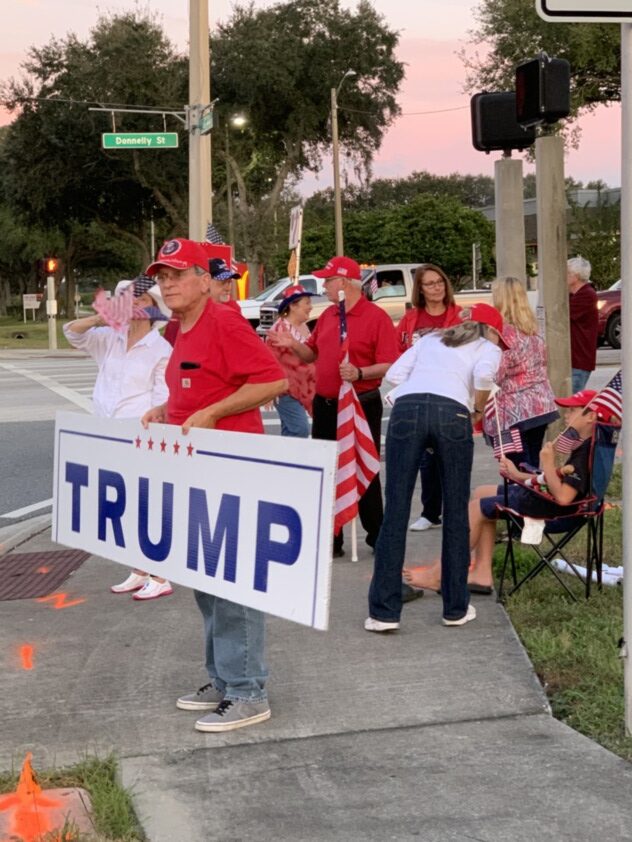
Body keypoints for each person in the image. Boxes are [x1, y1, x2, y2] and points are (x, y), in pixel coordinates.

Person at [142, 237, 287, 733]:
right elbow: (197, 386)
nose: (167, 284)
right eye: (161, 277)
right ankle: (225, 678)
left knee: (234, 582)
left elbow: (273, 381)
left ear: (206, 281)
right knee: (207, 581)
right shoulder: (183, 328)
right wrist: (168, 410)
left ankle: (250, 690)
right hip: (197, 469)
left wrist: (212, 412)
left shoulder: (224, 320)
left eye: (177, 275)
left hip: (235, 468)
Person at [365, 303, 505, 632]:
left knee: (396, 507)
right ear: (492, 330)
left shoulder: (430, 340)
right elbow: (484, 376)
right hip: (453, 412)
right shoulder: (489, 348)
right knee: (456, 509)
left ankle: (383, 612)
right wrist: (478, 409)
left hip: (408, 409)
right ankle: (455, 608)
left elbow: (393, 376)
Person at [404, 389, 600, 595]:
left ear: (591, 417)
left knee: (476, 508)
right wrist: (518, 475)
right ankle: (481, 573)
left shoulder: (585, 453)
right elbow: (557, 479)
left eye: (572, 410)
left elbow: (563, 497)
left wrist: (548, 463)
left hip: (560, 513)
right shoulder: (588, 445)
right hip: (551, 501)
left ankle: (438, 575)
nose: (566, 415)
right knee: (482, 492)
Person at [268, 255, 399, 557]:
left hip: (360, 401)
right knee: (328, 469)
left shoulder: (375, 318)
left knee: (364, 465)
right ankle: (332, 538)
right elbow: (311, 354)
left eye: (328, 280)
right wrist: (292, 345)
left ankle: (377, 534)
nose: (323, 285)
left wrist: (361, 373)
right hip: (325, 402)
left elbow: (391, 363)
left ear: (344, 283)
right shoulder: (328, 316)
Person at [63, 275, 174, 600]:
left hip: (140, 436)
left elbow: (161, 398)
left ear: (154, 309)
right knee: (123, 504)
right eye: (126, 300)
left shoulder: (160, 348)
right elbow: (71, 332)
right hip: (107, 434)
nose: (133, 307)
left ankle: (161, 573)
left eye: (140, 301)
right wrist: (102, 315)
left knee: (148, 503)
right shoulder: (109, 337)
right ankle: (139, 570)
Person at [396, 263, 461, 533]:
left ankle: (456, 513)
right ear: (420, 290)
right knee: (426, 456)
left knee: (453, 456)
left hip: (451, 392)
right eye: (430, 284)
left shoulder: (459, 316)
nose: (436, 287)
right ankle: (430, 512)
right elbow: (399, 351)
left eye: (439, 282)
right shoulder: (411, 319)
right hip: (418, 393)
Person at [483, 276, 558, 469]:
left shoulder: (502, 334)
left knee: (516, 470)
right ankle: (535, 496)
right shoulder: (533, 330)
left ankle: (525, 499)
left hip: (513, 412)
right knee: (531, 465)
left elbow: (494, 375)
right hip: (540, 406)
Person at [266, 284, 316, 438]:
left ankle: (286, 459)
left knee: (291, 430)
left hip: (305, 387)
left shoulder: (304, 327)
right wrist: (268, 391)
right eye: (306, 303)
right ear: (293, 306)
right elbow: (268, 359)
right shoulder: (279, 329)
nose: (311, 307)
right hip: (286, 390)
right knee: (299, 430)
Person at [567, 256, 598, 393]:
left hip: (579, 360)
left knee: (572, 403)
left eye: (566, 273)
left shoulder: (586, 294)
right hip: (573, 359)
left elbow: (561, 317)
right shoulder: (573, 295)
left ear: (576, 276)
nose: (563, 277)